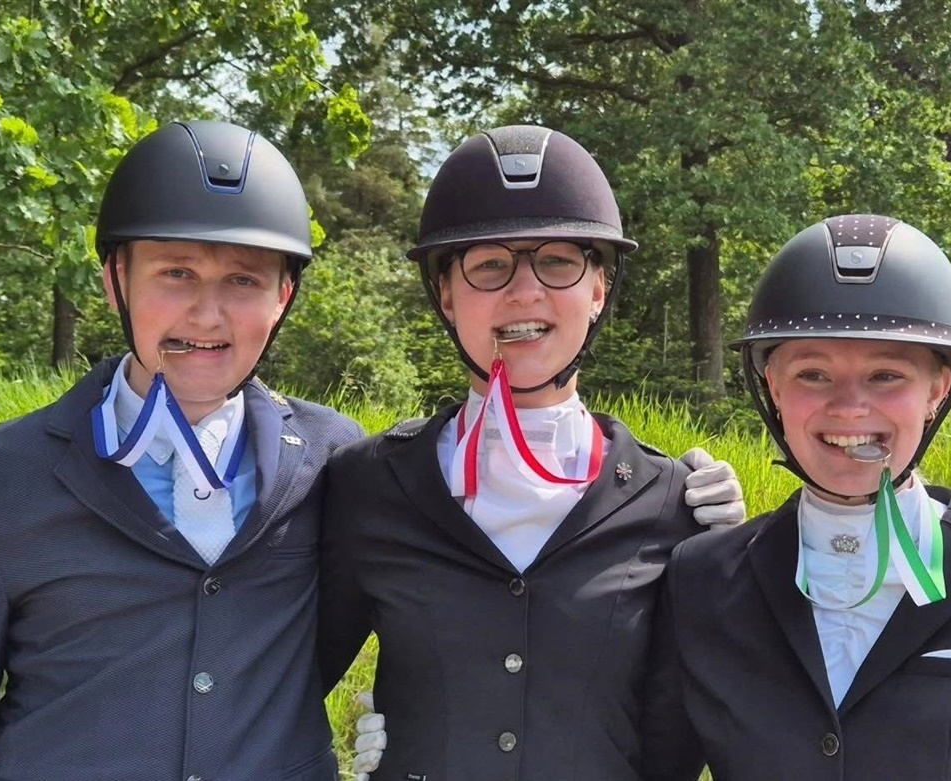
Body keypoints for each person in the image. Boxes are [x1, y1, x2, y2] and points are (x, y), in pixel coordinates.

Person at [0, 120, 363, 781]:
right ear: (116, 280)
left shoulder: (334, 457)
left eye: (243, 280)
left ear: (283, 296)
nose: (207, 315)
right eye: (176, 273)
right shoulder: (1, 474)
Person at [316, 124, 746, 781]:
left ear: (598, 289)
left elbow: (678, 740)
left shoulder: (669, 504)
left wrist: (737, 566)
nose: (524, 291)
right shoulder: (369, 483)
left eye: (558, 261)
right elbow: (278, 680)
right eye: (490, 264)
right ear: (446, 292)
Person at [645, 214, 951, 780]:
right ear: (773, 387)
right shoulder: (701, 580)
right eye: (813, 375)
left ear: (938, 389)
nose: (849, 407)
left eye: (885, 376)